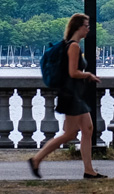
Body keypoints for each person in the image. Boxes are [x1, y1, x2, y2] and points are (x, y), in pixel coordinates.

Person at [27, 13, 107, 179]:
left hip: (74, 94)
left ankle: (89, 170)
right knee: (70, 134)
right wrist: (88, 75)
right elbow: (73, 72)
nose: (88, 29)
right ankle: (36, 159)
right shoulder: (74, 47)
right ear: (78, 27)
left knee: (88, 129)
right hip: (71, 95)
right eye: (86, 25)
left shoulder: (69, 45)